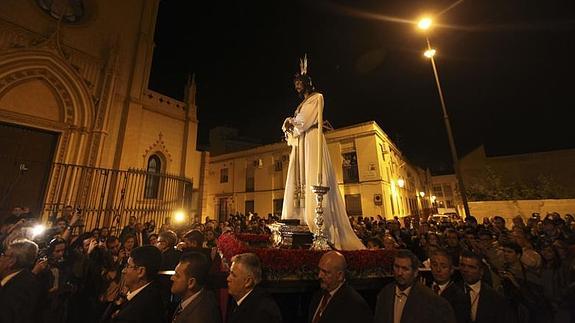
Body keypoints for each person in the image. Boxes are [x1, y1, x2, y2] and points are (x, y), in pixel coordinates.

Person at [281, 56, 364, 250]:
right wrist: (289, 127)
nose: (297, 86)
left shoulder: (317, 97)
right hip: (301, 142)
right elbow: (296, 125)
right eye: (295, 84)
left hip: (311, 139)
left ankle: (318, 222)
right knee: (299, 176)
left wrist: (291, 122)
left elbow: (305, 120)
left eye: (300, 82)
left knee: (313, 175)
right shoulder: (300, 105)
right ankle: (300, 215)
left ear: (307, 82)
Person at [373, 249, 456, 323]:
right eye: (396, 267)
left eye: (405, 269)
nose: (399, 273)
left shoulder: (431, 300)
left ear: (415, 272)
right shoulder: (385, 294)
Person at [309, 251, 372, 323]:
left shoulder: (354, 304)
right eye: (319, 270)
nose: (319, 275)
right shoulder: (318, 296)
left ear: (340, 276)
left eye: (325, 272)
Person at [107, 245, 165, 322]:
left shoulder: (136, 311)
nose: (123, 271)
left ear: (141, 271)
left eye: (128, 266)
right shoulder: (151, 291)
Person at [226, 252, 282, 323]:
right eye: (230, 273)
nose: (228, 279)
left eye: (233, 275)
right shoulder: (238, 298)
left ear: (248, 282)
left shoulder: (262, 313)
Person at [170, 252, 221, 323]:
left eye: (177, 276)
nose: (172, 278)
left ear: (191, 283)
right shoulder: (198, 297)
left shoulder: (199, 317)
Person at [459, 251, 508, 323]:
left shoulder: (495, 298)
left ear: (481, 271)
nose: (465, 270)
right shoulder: (452, 291)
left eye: (471, 267)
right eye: (462, 265)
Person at [0, 239, 41, 323]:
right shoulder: (23, 279)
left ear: (11, 261)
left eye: (3, 255)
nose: (1, 258)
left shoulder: (20, 289)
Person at [430, 250, 470, 323]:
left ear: (451, 270)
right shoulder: (424, 289)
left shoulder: (459, 296)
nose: (438, 270)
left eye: (443, 266)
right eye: (435, 265)